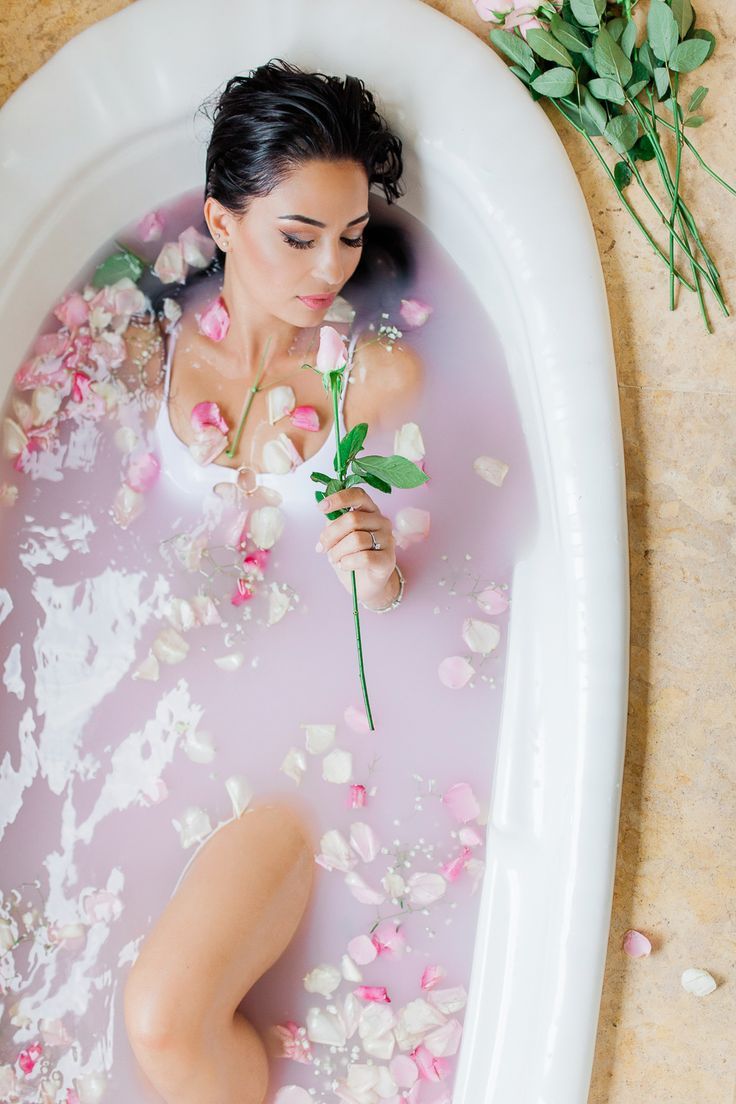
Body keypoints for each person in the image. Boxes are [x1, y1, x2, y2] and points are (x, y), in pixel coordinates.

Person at [122, 58, 424, 1104]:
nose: (329, 270)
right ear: (218, 220)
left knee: (163, 1020)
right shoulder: (143, 352)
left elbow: (395, 609)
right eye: (298, 237)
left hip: (287, 756)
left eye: (348, 237)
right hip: (151, 726)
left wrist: (381, 569)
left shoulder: (377, 379)